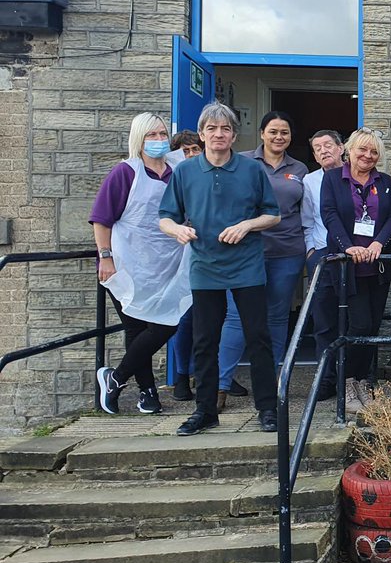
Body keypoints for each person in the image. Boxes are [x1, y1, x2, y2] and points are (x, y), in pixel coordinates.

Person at [159, 101, 281, 436]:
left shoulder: (252, 170)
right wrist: (178, 230)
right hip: (205, 266)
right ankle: (206, 411)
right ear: (201, 134)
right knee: (204, 341)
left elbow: (273, 214)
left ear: (233, 134)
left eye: (225, 129)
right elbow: (165, 217)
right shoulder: (184, 172)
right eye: (211, 129)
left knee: (258, 337)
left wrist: (247, 225)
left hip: (248, 266)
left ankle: (268, 409)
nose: (218, 135)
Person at [91, 113, 192, 415]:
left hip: (167, 265)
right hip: (129, 265)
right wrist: (105, 257)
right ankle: (148, 392)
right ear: (139, 138)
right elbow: (102, 217)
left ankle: (116, 377)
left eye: (162, 133)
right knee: (136, 329)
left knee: (165, 325)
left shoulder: (177, 172)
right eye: (152, 135)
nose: (159, 140)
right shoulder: (125, 172)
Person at [216, 111, 307, 410]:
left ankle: (273, 382)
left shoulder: (300, 169)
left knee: (278, 318)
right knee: (236, 318)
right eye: (273, 131)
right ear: (262, 134)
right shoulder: (240, 161)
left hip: (287, 252)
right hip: (246, 252)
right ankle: (220, 385)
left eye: (284, 132)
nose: (279, 137)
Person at [321, 128, 391, 414]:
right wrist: (348, 247)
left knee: (373, 329)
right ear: (349, 150)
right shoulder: (332, 179)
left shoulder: (386, 182)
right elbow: (328, 214)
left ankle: (365, 382)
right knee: (359, 326)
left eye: (374, 152)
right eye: (362, 150)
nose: (368, 156)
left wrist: (380, 242)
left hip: (377, 267)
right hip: (348, 266)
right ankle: (348, 381)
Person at [301, 129, 345, 401]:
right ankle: (325, 380)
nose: (323, 151)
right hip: (322, 254)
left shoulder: (354, 176)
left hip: (352, 255)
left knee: (352, 320)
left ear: (341, 148)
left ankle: (351, 379)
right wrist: (311, 252)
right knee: (324, 321)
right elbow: (307, 220)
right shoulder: (309, 181)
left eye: (328, 145)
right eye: (317, 148)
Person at [166, 129, 202, 401]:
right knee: (184, 317)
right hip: (177, 256)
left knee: (217, 318)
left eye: (194, 150)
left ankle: (210, 375)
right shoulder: (170, 178)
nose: (189, 156)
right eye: (184, 151)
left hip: (210, 254)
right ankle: (181, 376)